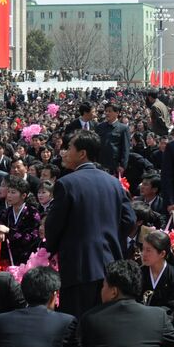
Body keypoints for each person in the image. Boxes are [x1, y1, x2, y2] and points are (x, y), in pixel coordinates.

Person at [45, 130, 135, 318]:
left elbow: (53, 227)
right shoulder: (113, 183)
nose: (65, 152)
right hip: (110, 266)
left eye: (69, 147)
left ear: (82, 153)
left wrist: (53, 248)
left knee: (79, 326)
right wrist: (110, 238)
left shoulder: (66, 184)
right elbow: (129, 220)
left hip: (78, 267)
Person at [138, 229, 174, 333]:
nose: (143, 254)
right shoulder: (139, 273)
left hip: (168, 325)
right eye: (143, 249)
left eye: (148, 250)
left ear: (162, 254)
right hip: (141, 323)